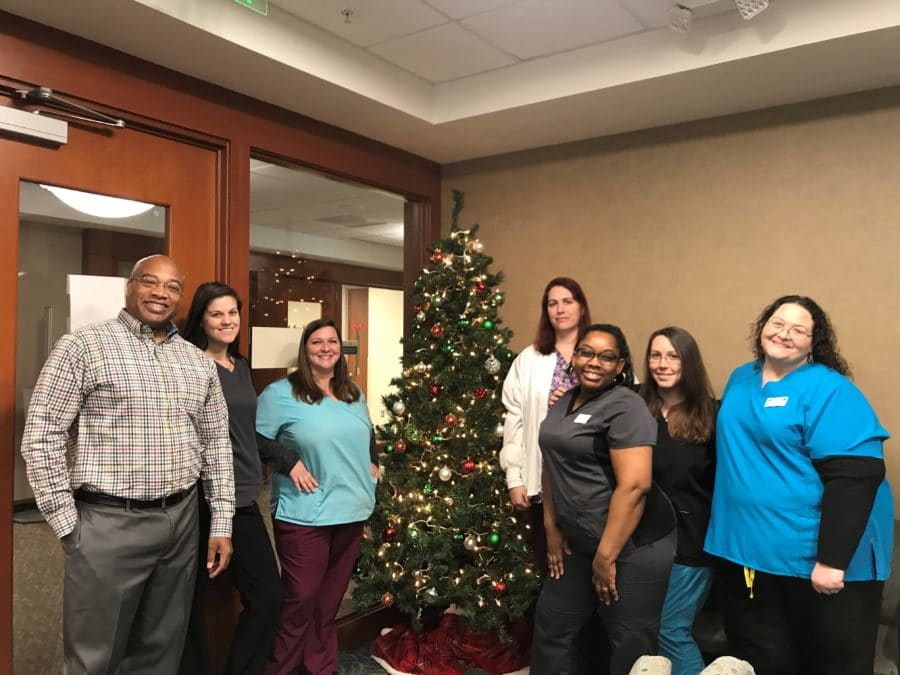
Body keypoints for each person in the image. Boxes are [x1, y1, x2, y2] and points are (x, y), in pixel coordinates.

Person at [21, 254, 235, 674]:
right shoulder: (83, 346)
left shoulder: (196, 361)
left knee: (161, 649)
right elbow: (42, 434)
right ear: (129, 286)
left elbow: (216, 445)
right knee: (93, 657)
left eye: (173, 286)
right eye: (149, 282)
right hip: (108, 523)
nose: (161, 293)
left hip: (181, 522)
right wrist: (67, 523)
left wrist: (222, 521)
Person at [705, 295, 893, 675]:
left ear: (814, 342)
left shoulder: (830, 390)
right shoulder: (741, 377)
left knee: (830, 662)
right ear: (762, 327)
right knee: (761, 658)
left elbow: (856, 476)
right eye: (777, 322)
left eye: (798, 329)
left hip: (817, 562)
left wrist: (832, 561)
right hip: (749, 553)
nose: (784, 334)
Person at [180, 282, 311, 675]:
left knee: (268, 598)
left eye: (232, 313)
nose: (227, 321)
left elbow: (244, 430)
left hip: (242, 497)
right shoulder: (190, 364)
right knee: (189, 607)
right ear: (201, 320)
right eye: (216, 314)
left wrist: (286, 459)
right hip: (200, 499)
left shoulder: (241, 366)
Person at [531, 324, 677, 675]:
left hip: (632, 546)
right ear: (574, 356)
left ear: (620, 365)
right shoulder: (565, 400)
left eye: (606, 356)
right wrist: (551, 525)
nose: (594, 362)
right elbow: (552, 463)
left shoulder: (627, 407)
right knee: (552, 625)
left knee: (630, 642)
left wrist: (605, 557)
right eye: (586, 352)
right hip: (578, 541)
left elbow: (635, 486)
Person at [257, 318, 379, 675]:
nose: (325, 348)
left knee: (328, 603)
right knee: (301, 599)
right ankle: (281, 668)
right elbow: (258, 440)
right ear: (305, 349)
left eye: (332, 341)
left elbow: (366, 433)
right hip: (304, 513)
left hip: (351, 510)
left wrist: (374, 463)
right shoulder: (280, 393)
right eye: (316, 342)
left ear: (340, 348)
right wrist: (289, 462)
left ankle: (318, 667)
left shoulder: (353, 393)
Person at [639, 327, 717, 675]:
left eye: (673, 356)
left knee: (671, 630)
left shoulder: (712, 416)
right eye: (655, 355)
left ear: (689, 363)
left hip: (691, 542)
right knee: (645, 631)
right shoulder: (638, 410)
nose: (662, 363)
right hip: (643, 542)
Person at [500, 277, 591, 573]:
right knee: (549, 564)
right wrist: (515, 478)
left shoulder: (600, 354)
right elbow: (515, 419)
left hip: (591, 482)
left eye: (567, 301)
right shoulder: (529, 359)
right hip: (542, 477)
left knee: (590, 566)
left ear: (581, 307)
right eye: (553, 303)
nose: (560, 309)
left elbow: (622, 405)